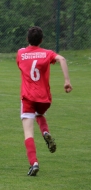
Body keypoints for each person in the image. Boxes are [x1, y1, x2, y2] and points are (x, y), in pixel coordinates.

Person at [17, 26, 72, 176]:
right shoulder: (46, 53)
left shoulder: (21, 53)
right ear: (41, 40)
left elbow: (22, 67)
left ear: (27, 39)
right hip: (44, 98)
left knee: (28, 133)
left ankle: (34, 163)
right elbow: (62, 59)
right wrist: (67, 81)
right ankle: (46, 131)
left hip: (28, 97)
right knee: (40, 115)